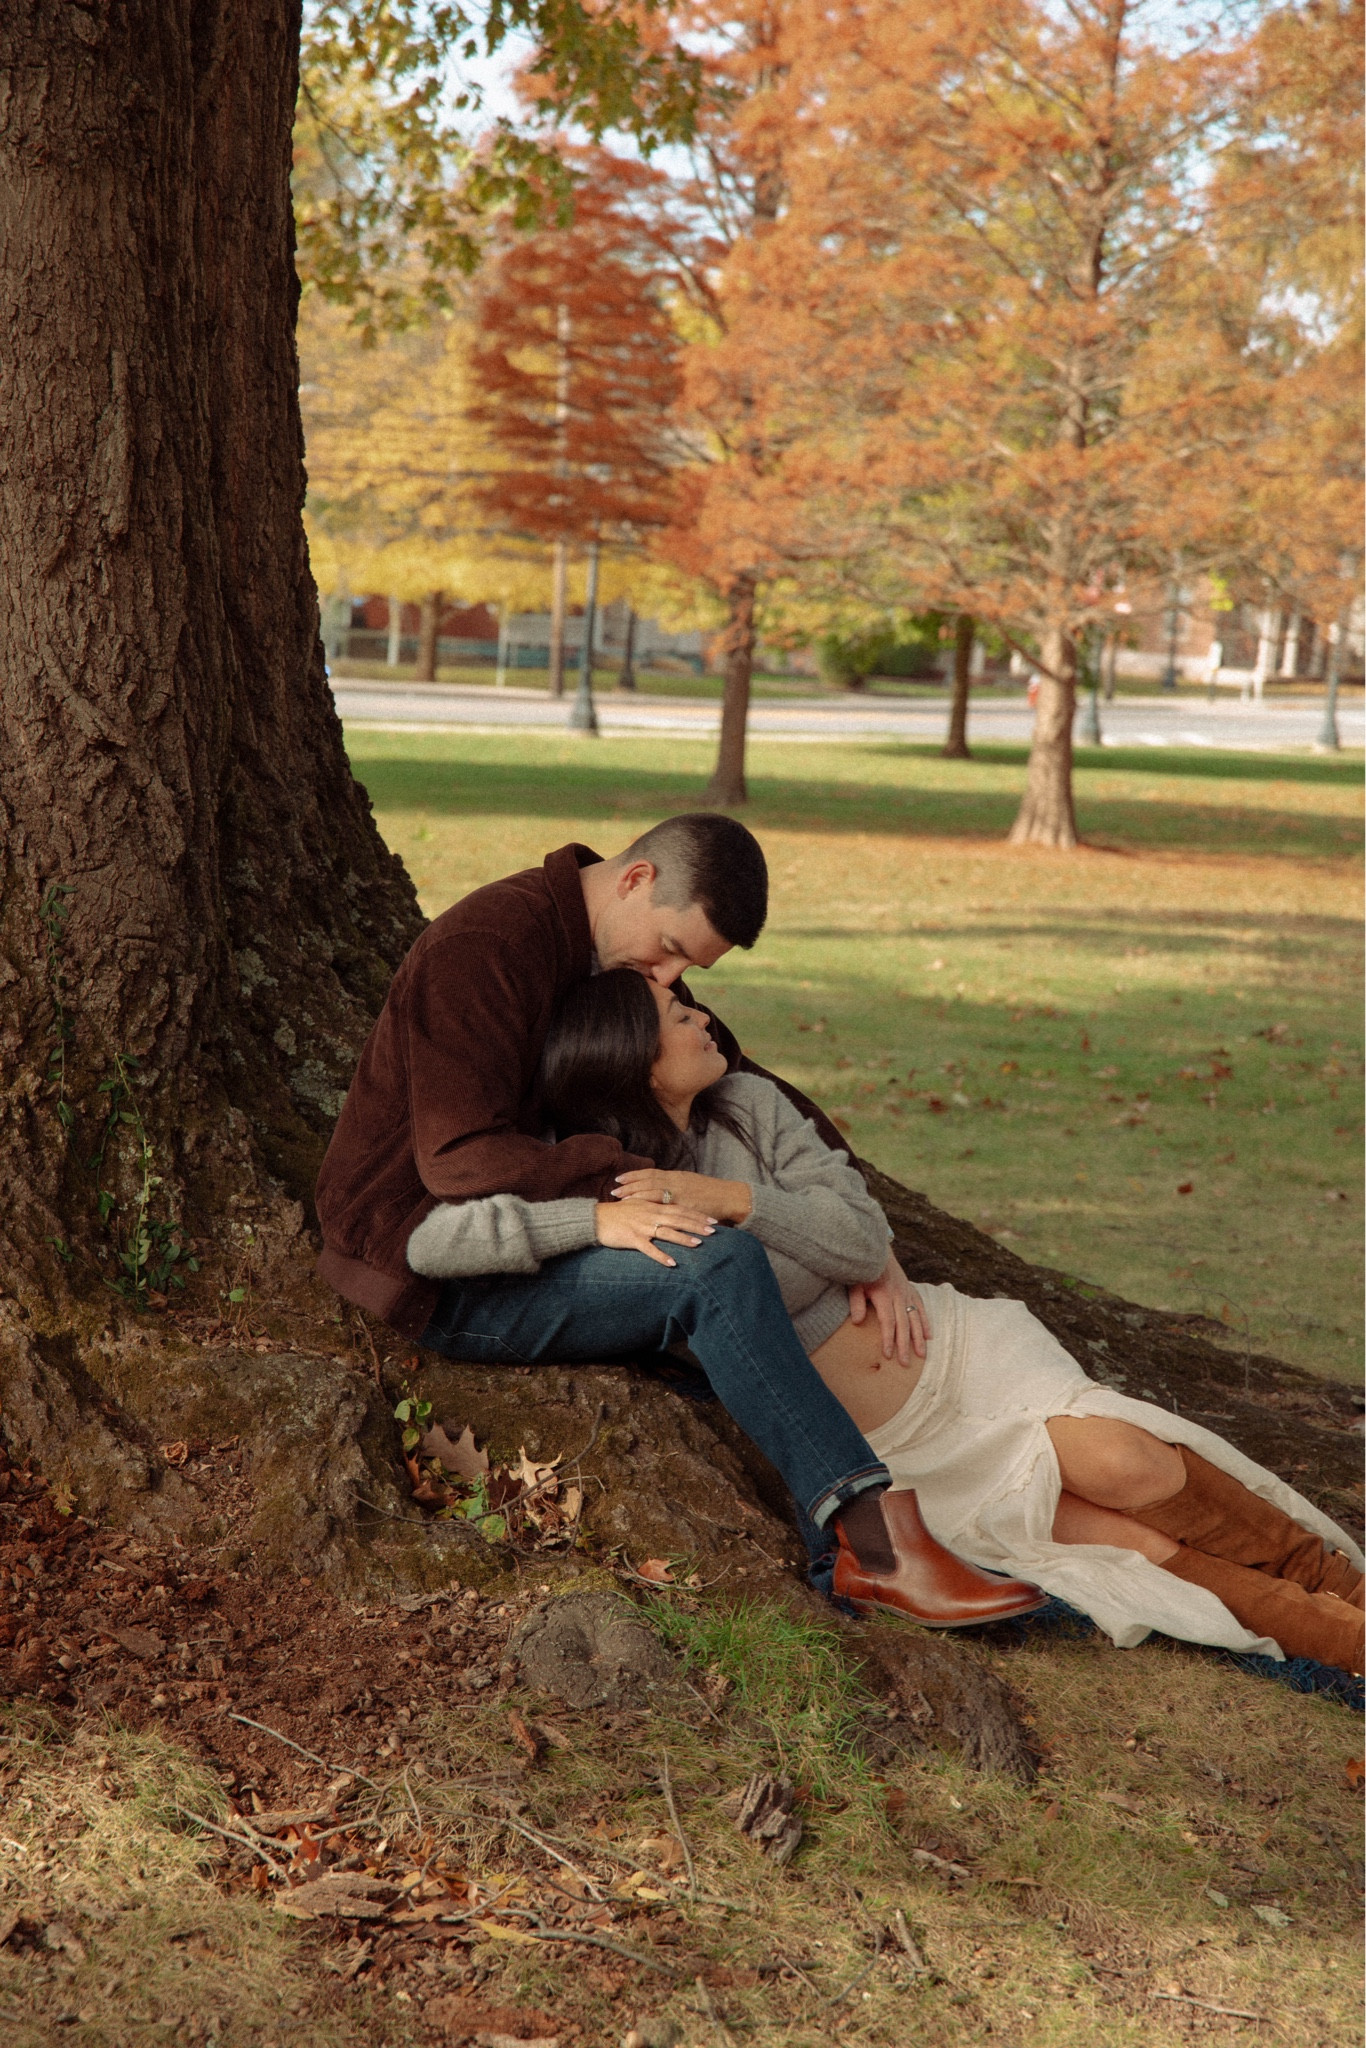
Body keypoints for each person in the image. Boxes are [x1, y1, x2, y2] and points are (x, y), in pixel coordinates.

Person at [409, 970, 1364, 1674]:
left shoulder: (750, 1106)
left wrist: (734, 1200)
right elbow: (435, 1245)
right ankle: (1347, 1643)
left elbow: (862, 1238)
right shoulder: (597, 1168)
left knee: (1131, 1464)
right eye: (674, 1012)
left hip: (958, 1363)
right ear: (625, 1053)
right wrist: (594, 1220)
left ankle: (1343, 1583)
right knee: (1134, 1552)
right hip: (895, 1456)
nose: (702, 1014)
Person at [315, 814, 1042, 1629]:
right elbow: (459, 1158)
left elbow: (743, 1073)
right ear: (635, 879)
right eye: (669, 950)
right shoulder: (485, 947)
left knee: (718, 1262)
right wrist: (619, 1198)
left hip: (548, 1235)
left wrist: (874, 1244)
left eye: (688, 968)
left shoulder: (620, 954)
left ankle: (860, 1550)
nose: (669, 977)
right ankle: (871, 1544)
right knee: (717, 1263)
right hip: (431, 1265)